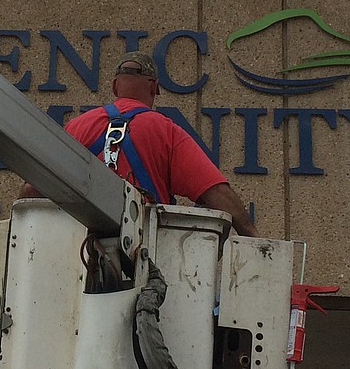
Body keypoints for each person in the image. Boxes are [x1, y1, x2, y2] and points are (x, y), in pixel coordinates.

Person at [19, 52, 258, 237]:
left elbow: (30, 191)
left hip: (77, 258)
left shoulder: (77, 127)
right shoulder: (167, 131)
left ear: (114, 87)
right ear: (153, 88)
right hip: (145, 258)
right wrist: (253, 237)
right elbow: (217, 193)